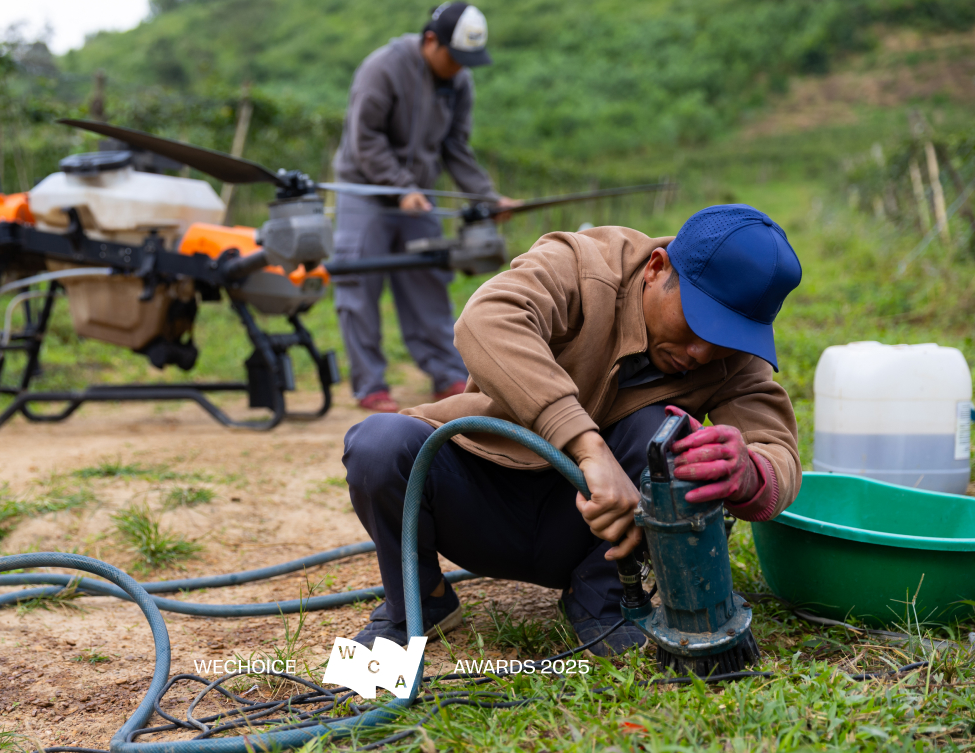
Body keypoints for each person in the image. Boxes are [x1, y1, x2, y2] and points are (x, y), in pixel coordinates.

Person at [342, 205, 804, 652]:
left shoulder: (733, 361)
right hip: (483, 496)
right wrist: (588, 448)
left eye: (725, 337)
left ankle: (600, 600)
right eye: (699, 321)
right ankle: (421, 601)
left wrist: (750, 473)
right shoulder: (586, 265)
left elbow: (776, 449)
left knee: (665, 436)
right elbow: (487, 318)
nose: (703, 352)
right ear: (657, 268)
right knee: (379, 445)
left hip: (592, 539)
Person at [331, 1, 519, 413]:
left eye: (466, 60)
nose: (459, 67)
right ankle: (370, 385)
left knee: (429, 279)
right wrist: (399, 186)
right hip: (364, 190)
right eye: (454, 57)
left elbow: (455, 148)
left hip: (417, 196)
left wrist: (486, 198)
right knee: (358, 287)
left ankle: (446, 373)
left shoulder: (460, 81)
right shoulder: (382, 69)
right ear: (430, 40)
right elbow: (366, 139)